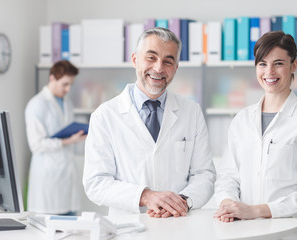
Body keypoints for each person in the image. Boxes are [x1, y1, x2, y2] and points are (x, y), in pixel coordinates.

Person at [83, 27, 216, 218]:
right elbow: (95, 182)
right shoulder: (104, 116)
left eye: (168, 61)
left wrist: (182, 202)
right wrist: (146, 196)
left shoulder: (191, 112)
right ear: (135, 59)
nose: (159, 68)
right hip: (128, 226)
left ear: (176, 68)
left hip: (179, 224)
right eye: (151, 58)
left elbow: (205, 174)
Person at [214, 31, 297, 240]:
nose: (269, 72)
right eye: (262, 64)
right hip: (247, 232)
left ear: (293, 66)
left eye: (278, 63)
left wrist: (254, 211)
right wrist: (228, 204)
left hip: (295, 234)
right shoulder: (241, 120)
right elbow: (227, 177)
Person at [25, 60, 87, 215]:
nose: (68, 89)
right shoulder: (36, 105)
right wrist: (69, 141)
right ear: (52, 78)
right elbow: (36, 144)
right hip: (48, 178)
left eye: (71, 84)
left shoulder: (67, 103)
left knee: (70, 229)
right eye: (65, 84)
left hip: (66, 174)